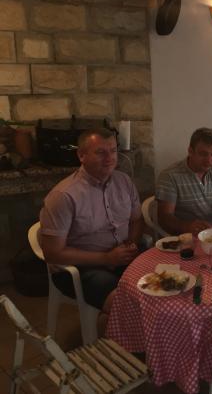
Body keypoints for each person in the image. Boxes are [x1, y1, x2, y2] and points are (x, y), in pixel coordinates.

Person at [39, 128, 143, 333]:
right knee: (128, 306)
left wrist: (131, 243)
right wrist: (106, 258)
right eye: (100, 152)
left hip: (121, 256)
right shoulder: (63, 196)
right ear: (81, 155)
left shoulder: (124, 181)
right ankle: (115, 336)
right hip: (81, 268)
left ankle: (118, 328)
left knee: (164, 287)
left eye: (113, 151)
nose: (109, 158)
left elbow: (137, 220)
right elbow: (52, 253)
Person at [156, 128, 212, 235]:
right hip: (186, 236)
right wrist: (186, 226)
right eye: (203, 154)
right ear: (190, 151)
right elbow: (164, 217)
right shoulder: (170, 176)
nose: (209, 160)